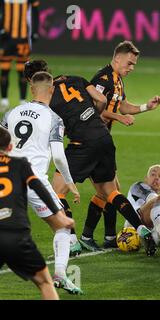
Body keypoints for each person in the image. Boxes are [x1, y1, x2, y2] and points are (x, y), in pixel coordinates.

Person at [21, 61, 158, 258]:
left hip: (81, 144)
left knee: (57, 192)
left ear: (30, 82)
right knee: (110, 192)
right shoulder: (74, 78)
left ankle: (73, 243)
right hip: (103, 135)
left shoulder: (45, 101)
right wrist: (92, 115)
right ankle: (142, 229)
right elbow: (101, 99)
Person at [0, 71, 83, 294]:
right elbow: (57, 156)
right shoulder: (54, 118)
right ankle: (61, 275)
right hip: (34, 180)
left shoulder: (11, 113)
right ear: (52, 90)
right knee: (62, 226)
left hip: (7, 179)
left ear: (31, 89)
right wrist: (69, 182)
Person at [79, 41, 160, 251]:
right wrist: (118, 117)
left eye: (134, 64)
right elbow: (92, 109)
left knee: (111, 190)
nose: (131, 68)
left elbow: (121, 105)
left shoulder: (117, 80)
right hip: (91, 139)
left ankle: (106, 237)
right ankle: (86, 237)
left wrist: (146, 107)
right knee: (109, 191)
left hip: (103, 141)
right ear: (117, 58)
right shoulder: (102, 79)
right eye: (129, 63)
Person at [0, 127, 70, 300]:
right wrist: (59, 214)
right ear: (10, 147)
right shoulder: (20, 164)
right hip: (17, 234)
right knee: (45, 282)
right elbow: (38, 186)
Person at [0, 0, 40, 112]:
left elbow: (35, 12)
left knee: (23, 71)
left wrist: (35, 31)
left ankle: (22, 101)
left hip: (23, 38)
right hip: (5, 39)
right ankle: (4, 101)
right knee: (4, 71)